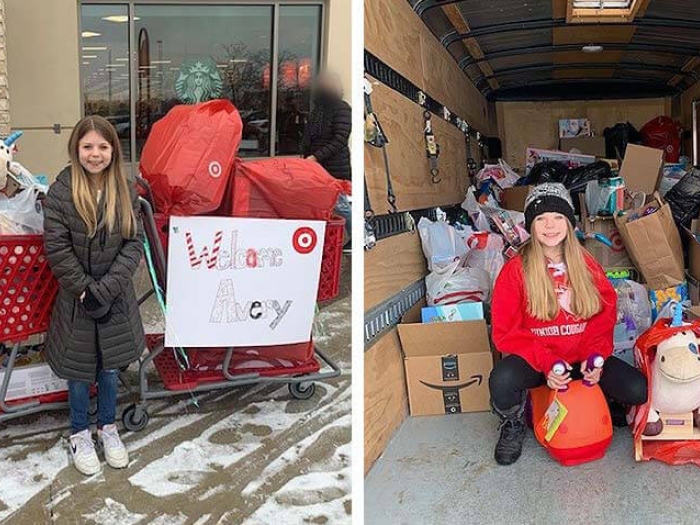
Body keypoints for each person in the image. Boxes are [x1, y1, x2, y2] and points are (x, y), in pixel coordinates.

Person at [488, 183, 647, 466]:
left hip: (581, 359)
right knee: (502, 379)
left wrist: (595, 359)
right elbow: (506, 332)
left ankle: (603, 396)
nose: (550, 225)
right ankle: (512, 423)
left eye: (558, 217)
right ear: (531, 226)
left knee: (637, 389)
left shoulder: (586, 264)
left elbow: (603, 316)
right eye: (541, 219)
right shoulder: (515, 270)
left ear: (569, 222)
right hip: (541, 363)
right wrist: (547, 363)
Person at [43, 115, 146, 476]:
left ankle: (107, 427)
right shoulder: (62, 190)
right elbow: (56, 247)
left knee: (110, 368)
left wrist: (105, 290)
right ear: (77, 149)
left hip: (114, 299)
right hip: (77, 302)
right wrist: (85, 290)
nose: (95, 154)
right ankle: (79, 433)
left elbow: (134, 243)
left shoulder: (125, 188)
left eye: (103, 146)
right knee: (79, 372)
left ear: (113, 150)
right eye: (88, 146)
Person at [301, 71, 352, 249]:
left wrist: (316, 157)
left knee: (341, 205)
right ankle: (324, 239)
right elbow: (310, 138)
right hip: (316, 167)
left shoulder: (342, 108)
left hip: (335, 167)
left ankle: (356, 236)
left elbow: (340, 139)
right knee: (320, 204)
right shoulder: (318, 111)